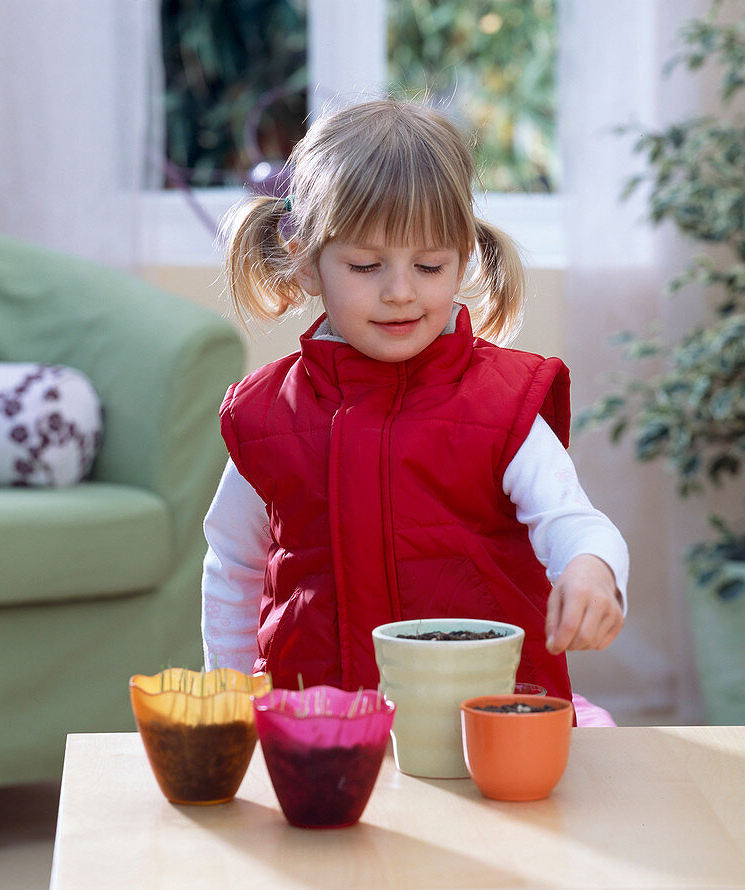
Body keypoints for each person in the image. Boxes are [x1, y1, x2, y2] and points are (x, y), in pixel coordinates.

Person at [201, 99, 628, 723]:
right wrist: (232, 699)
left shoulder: (501, 407)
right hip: (323, 725)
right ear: (306, 259)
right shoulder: (268, 418)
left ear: (462, 256)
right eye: (366, 265)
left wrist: (592, 572)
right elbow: (234, 568)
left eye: (429, 265)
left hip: (488, 718)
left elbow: (577, 523)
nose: (400, 291)